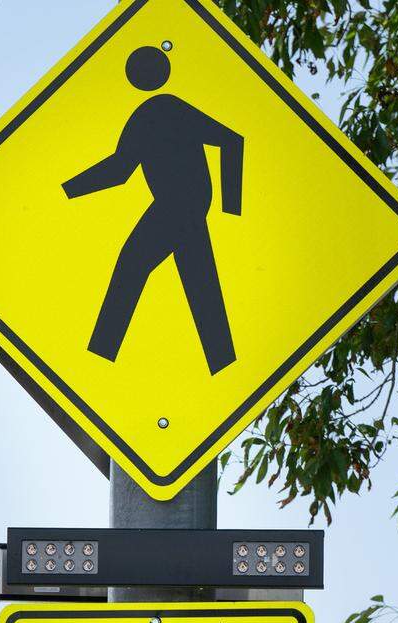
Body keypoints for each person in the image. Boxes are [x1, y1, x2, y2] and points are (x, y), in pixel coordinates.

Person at [63, 45, 243, 375]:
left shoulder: (167, 109)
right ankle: (225, 366)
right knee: (200, 283)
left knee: (132, 266)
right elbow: (119, 170)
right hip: (182, 206)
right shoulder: (146, 115)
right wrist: (68, 190)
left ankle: (99, 359)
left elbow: (232, 141)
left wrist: (232, 209)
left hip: (179, 205)